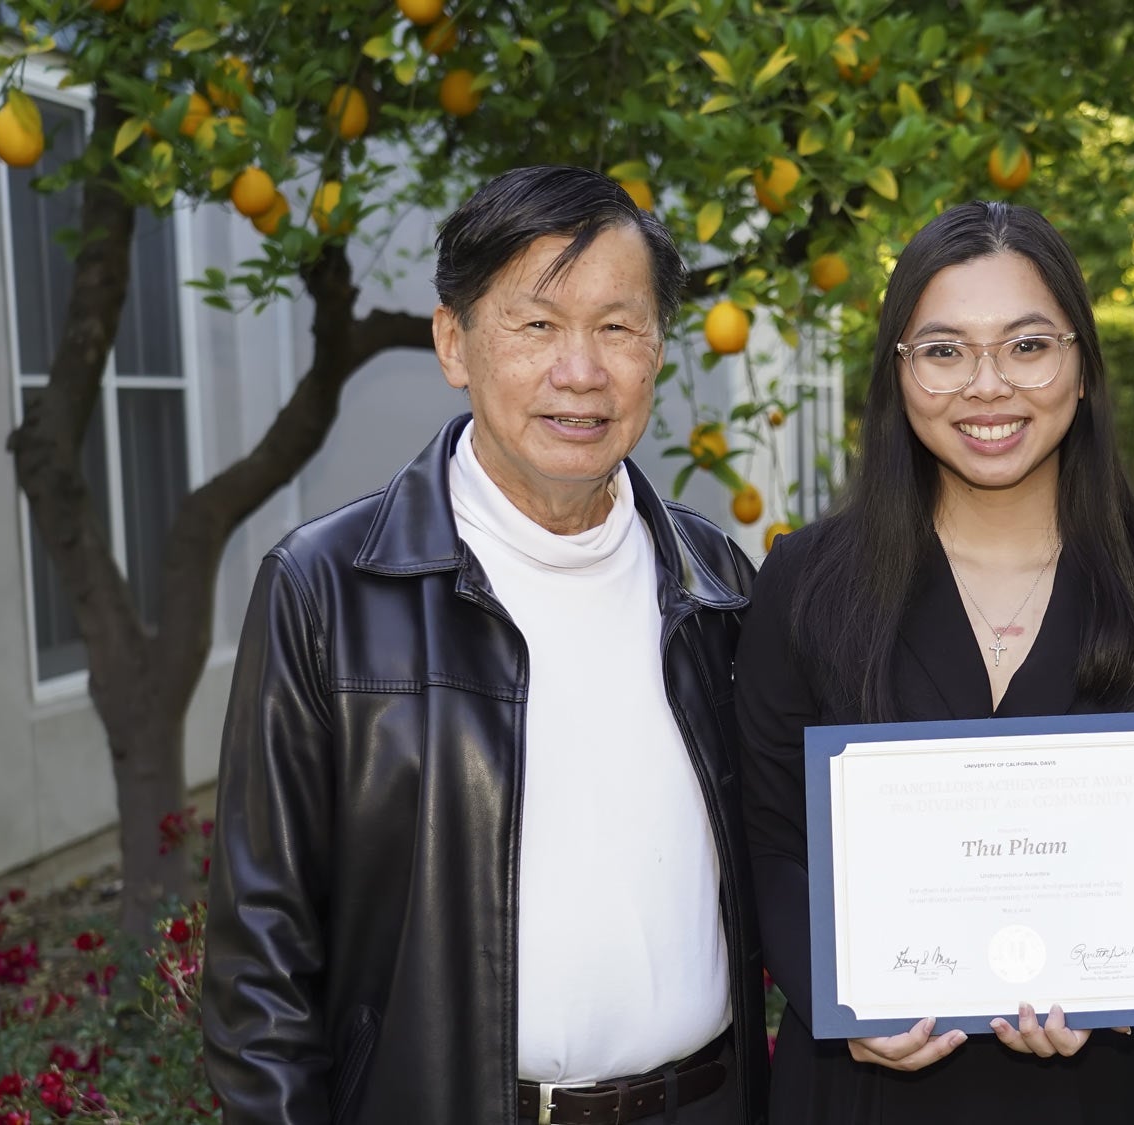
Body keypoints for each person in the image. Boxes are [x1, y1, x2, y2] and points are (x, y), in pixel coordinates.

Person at [203, 166, 769, 1125]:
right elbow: (262, 960)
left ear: (659, 351)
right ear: (453, 342)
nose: (580, 371)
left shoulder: (711, 580)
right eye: (537, 325)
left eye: (618, 327)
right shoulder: (329, 587)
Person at [733, 200, 1134, 1125]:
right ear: (898, 374)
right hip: (862, 1091)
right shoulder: (807, 583)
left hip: (1090, 1096)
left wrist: (1116, 994)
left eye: (1027, 345)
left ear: (1081, 365)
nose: (987, 385)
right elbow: (770, 837)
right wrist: (840, 1002)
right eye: (943, 350)